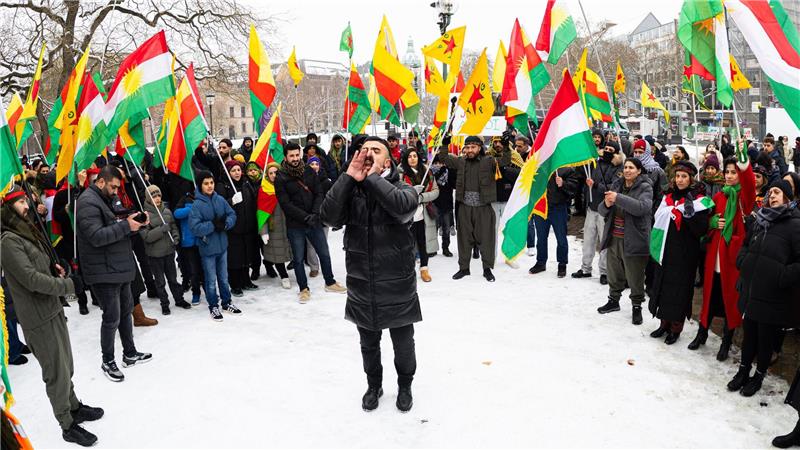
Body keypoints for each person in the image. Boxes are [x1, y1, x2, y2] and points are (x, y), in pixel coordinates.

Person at [320, 136, 421, 413]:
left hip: (397, 285)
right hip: (362, 285)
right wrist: (348, 177)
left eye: (375, 151)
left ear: (387, 161)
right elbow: (328, 217)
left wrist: (373, 179)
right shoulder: (351, 191)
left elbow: (402, 209)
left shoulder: (404, 188)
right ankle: (373, 385)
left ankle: (405, 384)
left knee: (403, 345)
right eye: (363, 150)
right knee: (368, 345)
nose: (367, 154)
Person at [2, 185, 104, 447]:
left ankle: (74, 407)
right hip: (38, 317)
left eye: (27, 200)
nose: (27, 206)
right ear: (8, 207)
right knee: (55, 372)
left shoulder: (24, 232)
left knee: (66, 364)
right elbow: (31, 279)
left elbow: (40, 268)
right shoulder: (8, 240)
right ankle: (66, 424)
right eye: (22, 202)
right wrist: (69, 287)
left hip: (52, 308)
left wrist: (55, 268)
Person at [75, 166, 153, 382]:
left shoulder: (105, 198)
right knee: (111, 318)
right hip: (102, 271)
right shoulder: (87, 202)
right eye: (113, 187)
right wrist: (126, 226)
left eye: (118, 187)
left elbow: (115, 220)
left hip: (117, 266)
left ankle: (129, 353)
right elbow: (97, 236)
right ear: (100, 182)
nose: (117, 191)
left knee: (126, 311)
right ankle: (107, 360)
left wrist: (134, 220)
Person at [729, 180, 800, 403]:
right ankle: (743, 370)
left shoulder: (795, 224)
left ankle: (758, 376)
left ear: (787, 197)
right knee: (749, 334)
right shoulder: (760, 219)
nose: (772, 196)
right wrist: (743, 261)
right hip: (752, 289)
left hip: (773, 294)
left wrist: (781, 276)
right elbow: (746, 245)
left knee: (765, 339)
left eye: (777, 192)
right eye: (770, 193)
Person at [688, 147, 755, 360]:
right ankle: (702, 333)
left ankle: (727, 339)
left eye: (734, 172)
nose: (729, 175)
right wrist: (713, 222)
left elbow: (750, 186)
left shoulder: (743, 197)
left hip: (731, 258)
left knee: (730, 300)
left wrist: (744, 164)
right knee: (709, 296)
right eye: (727, 172)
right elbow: (708, 222)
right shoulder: (718, 195)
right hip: (714, 254)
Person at [648, 161, 711, 344]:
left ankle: (676, 327)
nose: (680, 180)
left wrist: (690, 215)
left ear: (691, 178)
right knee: (663, 287)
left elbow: (701, 230)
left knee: (679, 291)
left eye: (684, 176)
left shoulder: (699, 199)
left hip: (685, 254)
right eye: (677, 176)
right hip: (666, 250)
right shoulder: (668, 196)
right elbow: (658, 217)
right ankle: (663, 323)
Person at [275, 142, 347, 302]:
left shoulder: (308, 170)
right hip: (296, 225)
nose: (295, 158)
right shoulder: (281, 177)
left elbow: (319, 192)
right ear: (286, 157)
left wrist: (315, 213)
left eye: (296, 155)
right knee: (299, 259)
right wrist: (305, 217)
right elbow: (285, 204)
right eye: (291, 156)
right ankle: (303, 288)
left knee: (324, 253)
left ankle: (330, 282)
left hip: (314, 221)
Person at [596, 158, 653, 325]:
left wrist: (618, 198)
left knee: (635, 276)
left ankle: (637, 307)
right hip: (614, 237)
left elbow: (642, 208)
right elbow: (602, 210)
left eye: (631, 168)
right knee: (614, 273)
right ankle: (613, 300)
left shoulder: (645, 187)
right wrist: (606, 204)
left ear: (639, 171)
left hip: (635, 239)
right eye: (626, 167)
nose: (627, 170)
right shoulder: (617, 185)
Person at [437, 136, 498, 282]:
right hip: (464, 208)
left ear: (480, 148)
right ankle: (464, 268)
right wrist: (445, 144)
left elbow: (506, 159)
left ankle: (487, 269)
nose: (470, 150)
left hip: (483, 208)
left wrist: (506, 145)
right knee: (463, 239)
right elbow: (444, 157)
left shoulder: (488, 161)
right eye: (467, 147)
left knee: (486, 239)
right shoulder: (461, 161)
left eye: (473, 147)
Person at [189, 170, 242, 321]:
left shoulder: (220, 199)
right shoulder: (197, 205)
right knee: (211, 280)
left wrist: (225, 224)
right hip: (208, 248)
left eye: (211, 182)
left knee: (224, 278)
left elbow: (232, 214)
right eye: (206, 183)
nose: (210, 186)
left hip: (222, 246)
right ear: (200, 185)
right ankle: (213, 305)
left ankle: (227, 302)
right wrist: (212, 225)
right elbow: (195, 228)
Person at [572, 140, 623, 284]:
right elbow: (582, 171)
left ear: (616, 152)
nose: (607, 151)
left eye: (610, 149)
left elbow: (614, 187)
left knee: (604, 241)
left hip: (605, 210)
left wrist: (595, 185)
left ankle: (604, 272)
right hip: (591, 207)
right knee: (588, 240)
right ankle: (586, 268)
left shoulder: (618, 167)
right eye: (605, 148)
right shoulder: (595, 162)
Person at [139, 185, 191, 315]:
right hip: (155, 255)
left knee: (173, 279)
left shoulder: (167, 212)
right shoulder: (144, 216)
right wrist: (161, 229)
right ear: (148, 198)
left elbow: (173, 226)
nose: (157, 199)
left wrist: (175, 237)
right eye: (153, 196)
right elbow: (146, 236)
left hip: (168, 252)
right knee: (160, 281)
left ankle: (179, 299)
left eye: (158, 196)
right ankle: (164, 303)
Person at [216, 160, 259, 297]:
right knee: (235, 258)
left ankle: (246, 281)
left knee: (247, 255)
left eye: (239, 170)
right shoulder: (223, 186)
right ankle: (235, 284)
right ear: (228, 172)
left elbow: (253, 202)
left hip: (248, 227)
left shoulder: (246, 183)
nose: (237, 173)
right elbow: (219, 207)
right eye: (233, 170)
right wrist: (231, 201)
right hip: (233, 229)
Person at [528, 168, 579, 277]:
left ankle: (562, 264)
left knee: (561, 238)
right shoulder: (538, 167)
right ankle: (541, 262)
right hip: (541, 208)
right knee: (541, 238)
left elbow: (574, 188)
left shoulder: (565, 168)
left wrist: (563, 184)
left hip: (558, 208)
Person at [400, 147, 439, 282]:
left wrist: (421, 197)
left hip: (423, 215)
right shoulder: (400, 173)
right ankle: (408, 270)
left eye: (415, 156)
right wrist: (411, 194)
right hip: (407, 216)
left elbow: (435, 191)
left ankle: (424, 269)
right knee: (407, 244)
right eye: (409, 156)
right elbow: (396, 193)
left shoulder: (427, 173)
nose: (412, 159)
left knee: (423, 243)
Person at [260, 162, 293, 289]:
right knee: (277, 254)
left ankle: (269, 264)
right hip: (274, 227)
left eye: (276, 172)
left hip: (289, 225)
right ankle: (284, 276)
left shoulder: (287, 186)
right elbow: (261, 212)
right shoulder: (264, 190)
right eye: (271, 173)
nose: (274, 175)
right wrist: (263, 231)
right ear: (267, 175)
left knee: (290, 251)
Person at [173, 189, 204, 306]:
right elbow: (177, 213)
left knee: (205, 269)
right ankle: (196, 292)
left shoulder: (205, 198)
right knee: (194, 271)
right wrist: (191, 208)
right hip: (189, 242)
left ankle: (209, 291)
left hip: (202, 240)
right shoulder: (185, 198)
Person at [431, 153, 456, 257]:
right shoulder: (430, 173)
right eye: (436, 163)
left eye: (441, 163)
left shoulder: (448, 172)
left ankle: (446, 248)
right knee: (433, 228)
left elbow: (454, 184)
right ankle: (432, 249)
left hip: (447, 204)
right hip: (433, 204)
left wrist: (452, 171)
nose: (438, 165)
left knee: (446, 229)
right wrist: (438, 173)